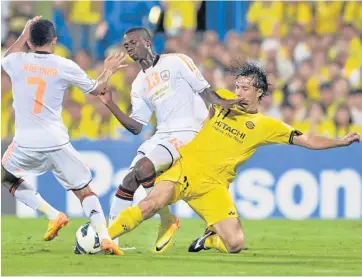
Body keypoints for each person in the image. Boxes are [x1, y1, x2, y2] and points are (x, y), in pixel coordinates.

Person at [107, 60, 360, 254]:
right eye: (236, 86)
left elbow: (306, 140)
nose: (238, 92)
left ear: (259, 92)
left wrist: (339, 142)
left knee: (235, 244)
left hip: (213, 188)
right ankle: (104, 239)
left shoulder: (265, 125)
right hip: (184, 170)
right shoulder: (222, 99)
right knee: (150, 204)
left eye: (245, 88)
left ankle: (208, 240)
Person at [100, 26, 244, 252]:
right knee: (129, 180)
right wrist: (110, 104)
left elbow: (205, 91)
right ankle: (110, 241)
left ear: (147, 42)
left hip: (188, 132)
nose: (129, 47)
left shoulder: (177, 61)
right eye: (126, 45)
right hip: (162, 135)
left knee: (143, 167)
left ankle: (165, 221)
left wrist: (226, 103)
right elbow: (136, 127)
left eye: (133, 42)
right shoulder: (138, 84)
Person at [1, 17, 126, 255]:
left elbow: (7, 57)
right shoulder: (64, 65)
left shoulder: (16, 62)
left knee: (5, 176)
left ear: (29, 40)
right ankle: (106, 237)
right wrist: (108, 71)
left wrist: (23, 35)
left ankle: (52, 214)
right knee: (85, 191)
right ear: (54, 41)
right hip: (57, 141)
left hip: (26, 143)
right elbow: (97, 89)